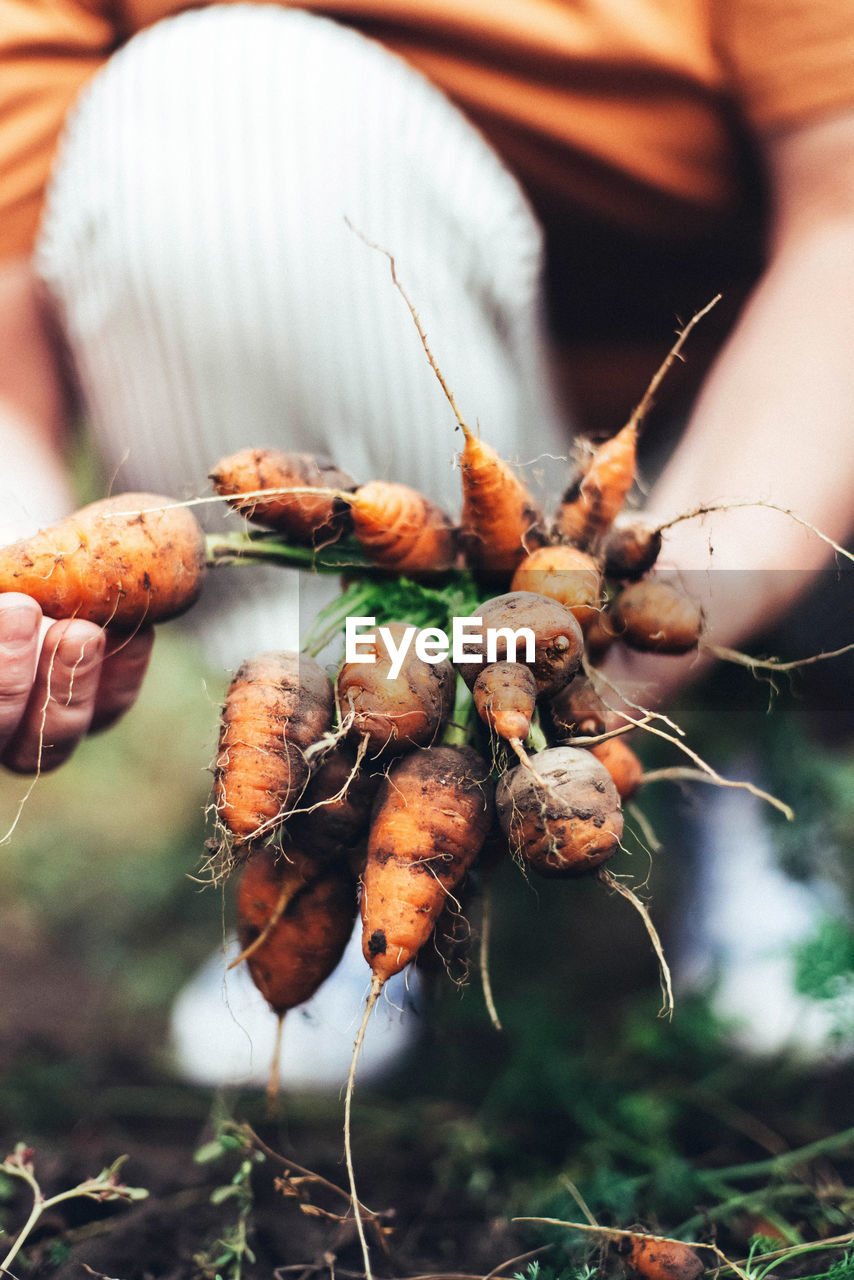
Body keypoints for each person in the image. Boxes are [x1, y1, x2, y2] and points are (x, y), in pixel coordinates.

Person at [0, 3, 853, 1077]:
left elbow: (844, 226)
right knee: (217, 96)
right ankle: (347, 798)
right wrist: (19, 583)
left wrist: (687, 580)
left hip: (711, 454)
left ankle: (733, 758)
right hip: (384, 436)